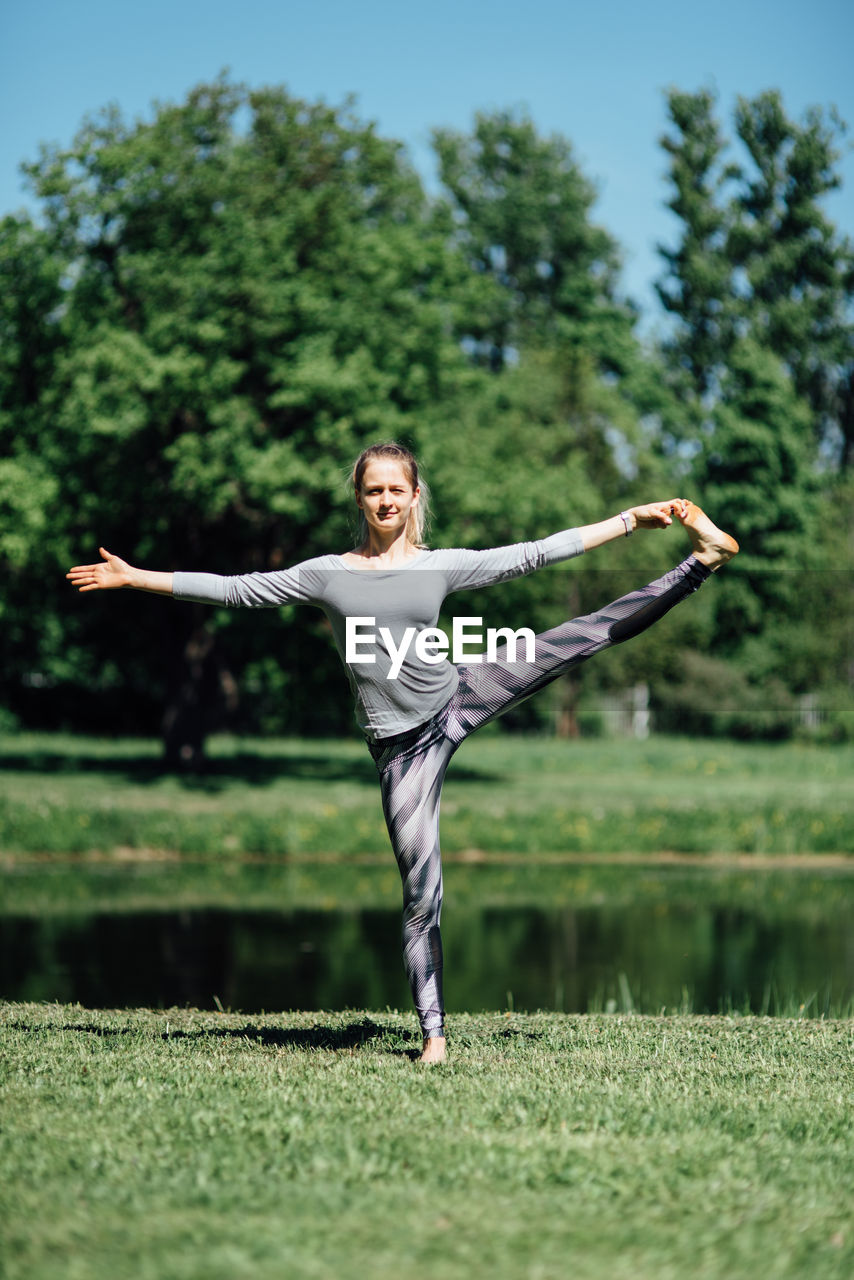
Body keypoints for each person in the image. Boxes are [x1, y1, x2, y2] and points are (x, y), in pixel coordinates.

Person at [67, 441, 738, 1063]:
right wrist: (137, 578)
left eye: (396, 489)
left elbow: (537, 552)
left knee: (577, 637)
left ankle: (700, 563)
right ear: (359, 500)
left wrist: (631, 519)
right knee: (422, 891)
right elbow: (240, 589)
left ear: (415, 496)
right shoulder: (328, 575)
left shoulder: (438, 565)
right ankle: (434, 1033)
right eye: (373, 491)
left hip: (462, 693)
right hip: (401, 749)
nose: (386, 500)